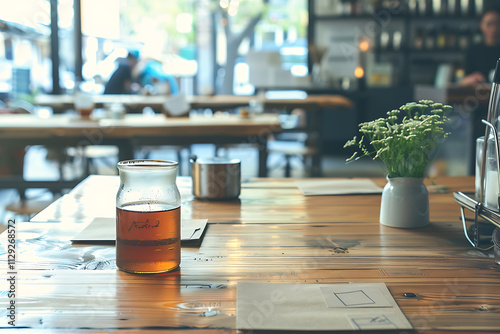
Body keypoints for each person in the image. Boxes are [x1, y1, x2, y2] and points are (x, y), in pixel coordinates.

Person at [461, 7, 500, 86]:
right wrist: (473, 79)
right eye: (489, 24)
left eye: (497, 23)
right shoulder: (472, 50)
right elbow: (463, 81)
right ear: (481, 25)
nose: (494, 28)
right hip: (478, 95)